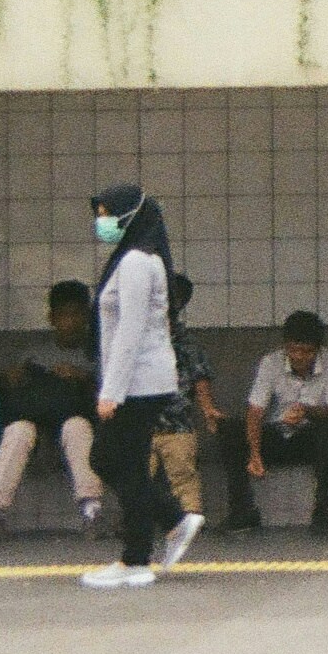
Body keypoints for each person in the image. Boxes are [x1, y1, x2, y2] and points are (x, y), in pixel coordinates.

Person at [83, 182, 201, 589]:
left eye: (107, 213)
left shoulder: (135, 262)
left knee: (107, 459)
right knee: (128, 464)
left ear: (130, 215)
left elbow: (130, 330)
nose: (102, 222)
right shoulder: (137, 258)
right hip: (144, 379)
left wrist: (111, 391)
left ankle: (171, 522)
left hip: (139, 382)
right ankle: (138, 555)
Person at [0, 279, 103, 539]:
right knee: (18, 429)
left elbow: (109, 399)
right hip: (37, 431)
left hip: (83, 429)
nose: (71, 322)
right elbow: (4, 397)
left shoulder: (98, 353)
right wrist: (10, 378)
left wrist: (83, 378)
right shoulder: (34, 353)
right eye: (64, 315)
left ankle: (92, 511)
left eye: (78, 314)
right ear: (52, 318)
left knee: (76, 426)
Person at [229, 309, 328, 533]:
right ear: (285, 346)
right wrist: (254, 453)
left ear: (318, 350)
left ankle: (323, 511)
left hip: (310, 436)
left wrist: (307, 412)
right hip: (276, 433)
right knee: (231, 431)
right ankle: (242, 510)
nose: (299, 357)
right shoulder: (271, 363)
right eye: (294, 350)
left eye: (307, 351)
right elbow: (255, 411)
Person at [151, 271, 222, 520]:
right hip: (142, 423)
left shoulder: (186, 343)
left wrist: (207, 408)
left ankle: (190, 517)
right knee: (138, 477)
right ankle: (136, 521)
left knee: (183, 474)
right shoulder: (138, 340)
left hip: (178, 422)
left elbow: (199, 377)